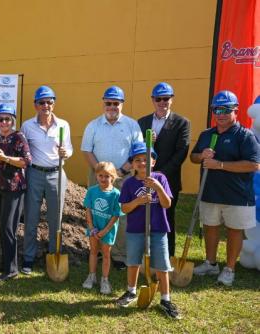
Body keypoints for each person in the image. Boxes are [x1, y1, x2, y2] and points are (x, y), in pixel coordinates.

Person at [190, 90, 260, 286]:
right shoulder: (207, 134)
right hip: (210, 192)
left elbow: (254, 165)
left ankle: (229, 268)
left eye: (226, 109)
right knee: (210, 228)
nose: (220, 114)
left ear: (235, 110)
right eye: (217, 109)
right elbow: (193, 157)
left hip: (237, 196)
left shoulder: (245, 136)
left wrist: (219, 165)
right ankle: (211, 263)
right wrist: (201, 156)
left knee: (234, 231)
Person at [116, 141, 181, 320]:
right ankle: (131, 291)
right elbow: (124, 209)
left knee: (161, 264)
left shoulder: (160, 178)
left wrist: (157, 188)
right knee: (133, 261)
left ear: (153, 162)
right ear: (132, 164)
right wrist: (137, 202)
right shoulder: (129, 184)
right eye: (137, 160)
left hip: (158, 228)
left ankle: (166, 299)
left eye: (146, 159)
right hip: (135, 229)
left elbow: (167, 204)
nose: (142, 163)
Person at [81, 86, 142, 269]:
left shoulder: (132, 125)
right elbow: (87, 150)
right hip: (97, 176)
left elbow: (138, 152)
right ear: (103, 103)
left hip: (124, 176)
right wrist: (101, 174)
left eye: (116, 103)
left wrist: (122, 171)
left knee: (120, 215)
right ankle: (97, 250)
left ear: (122, 104)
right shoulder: (93, 125)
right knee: (96, 212)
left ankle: (119, 254)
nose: (112, 107)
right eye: (108, 103)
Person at [20, 85, 73, 275]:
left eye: (49, 101)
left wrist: (65, 153)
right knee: (32, 216)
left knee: (55, 218)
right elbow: (22, 150)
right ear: (35, 105)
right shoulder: (27, 126)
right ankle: (28, 257)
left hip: (56, 173)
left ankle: (53, 253)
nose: (46, 105)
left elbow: (69, 149)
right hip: (34, 173)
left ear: (54, 103)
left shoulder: (63, 125)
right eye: (41, 102)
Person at [138, 83, 190, 256]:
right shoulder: (143, 122)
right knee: (144, 216)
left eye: (166, 98)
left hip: (168, 179)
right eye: (158, 99)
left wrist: (160, 175)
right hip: (144, 178)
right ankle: (146, 253)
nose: (162, 102)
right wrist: (146, 144)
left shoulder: (182, 123)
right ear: (152, 100)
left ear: (171, 99)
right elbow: (137, 149)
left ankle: (168, 256)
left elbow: (181, 152)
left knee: (166, 218)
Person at [0, 104, 32, 281]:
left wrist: (5, 158)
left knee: (9, 228)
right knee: (2, 226)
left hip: (14, 188)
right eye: (0, 119)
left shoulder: (18, 137)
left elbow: (26, 161)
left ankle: (11, 270)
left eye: (7, 119)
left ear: (13, 121)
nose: (4, 122)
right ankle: (6, 264)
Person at [82, 161, 121, 294]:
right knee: (93, 251)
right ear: (96, 175)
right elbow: (88, 209)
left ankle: (104, 279)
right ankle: (91, 276)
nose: (103, 179)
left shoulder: (116, 194)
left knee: (105, 255)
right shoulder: (92, 191)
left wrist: (105, 230)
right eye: (100, 175)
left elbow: (116, 215)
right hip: (93, 228)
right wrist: (91, 227)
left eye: (106, 176)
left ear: (113, 177)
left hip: (107, 230)